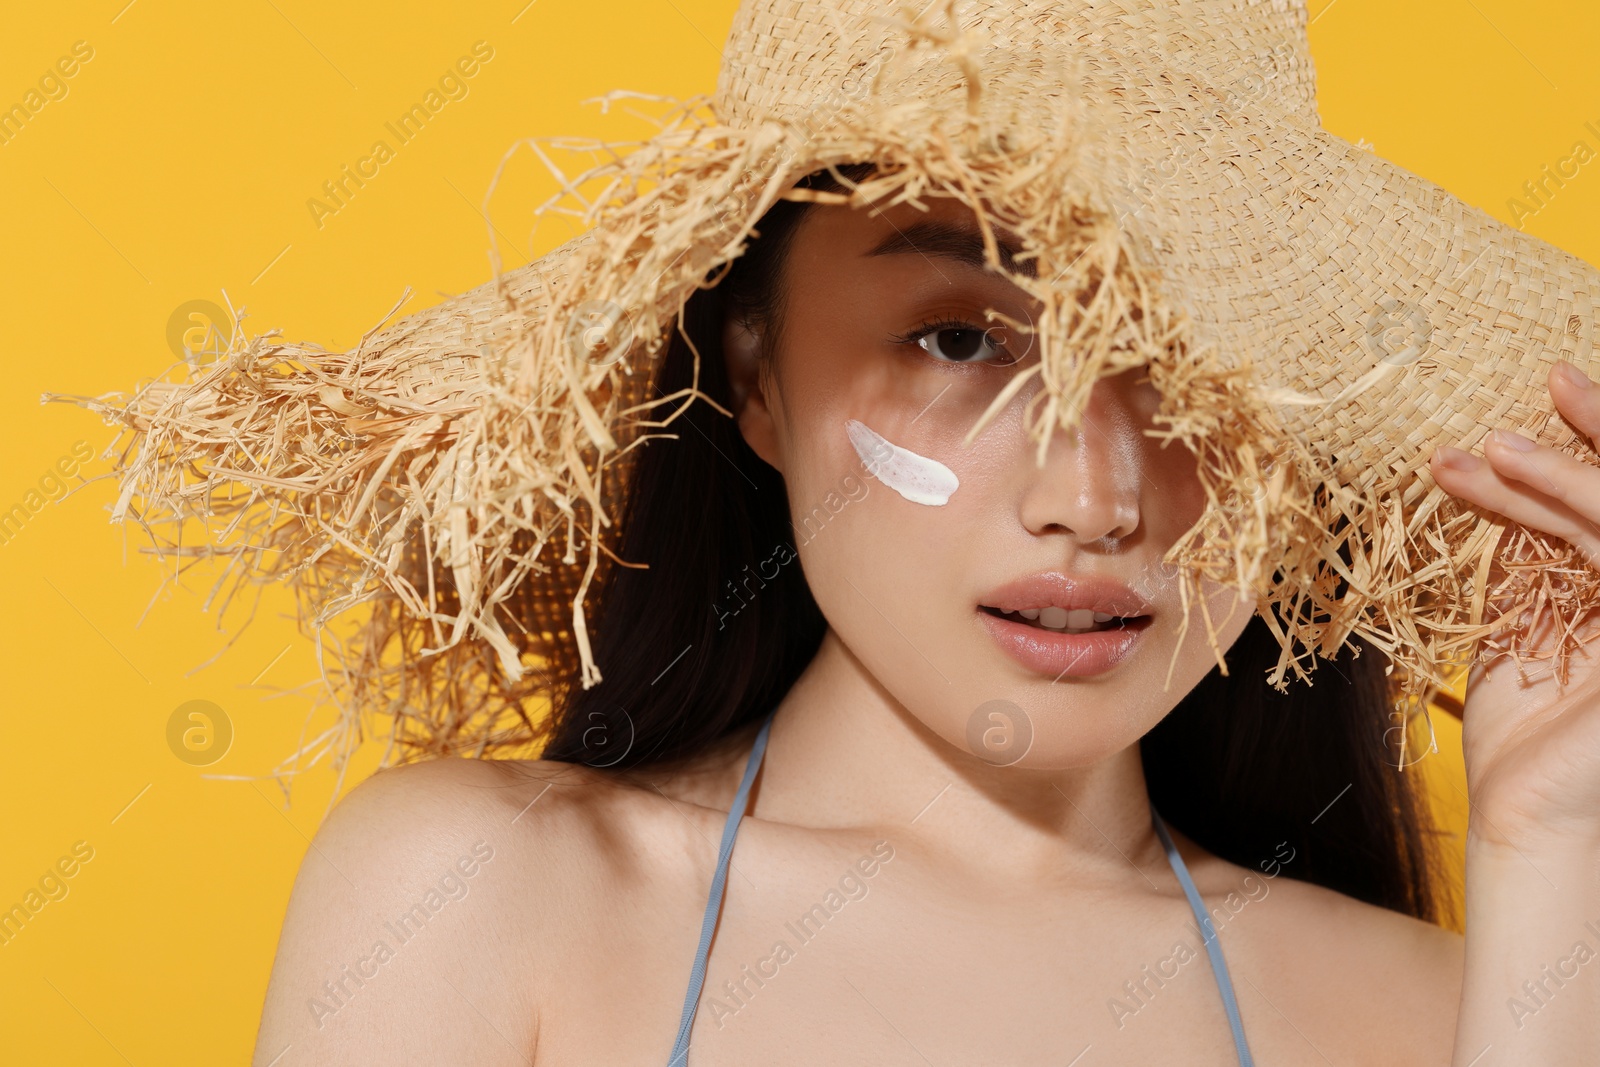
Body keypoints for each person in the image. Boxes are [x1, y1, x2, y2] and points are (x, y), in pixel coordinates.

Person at [250, 153, 1599, 1063]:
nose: (1094, 496)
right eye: (961, 339)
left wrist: (1552, 852)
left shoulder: (1431, 1010)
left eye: (1198, 362)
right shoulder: (479, 892)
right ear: (756, 381)